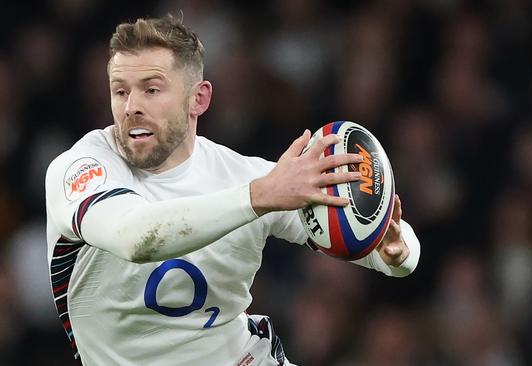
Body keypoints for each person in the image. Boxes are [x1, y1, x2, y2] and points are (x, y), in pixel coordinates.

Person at [44, 15, 420, 366]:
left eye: (152, 89)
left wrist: (394, 250)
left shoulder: (245, 176)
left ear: (199, 99)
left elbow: (387, 249)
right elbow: (135, 237)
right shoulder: (81, 170)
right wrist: (256, 197)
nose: (131, 107)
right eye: (120, 91)